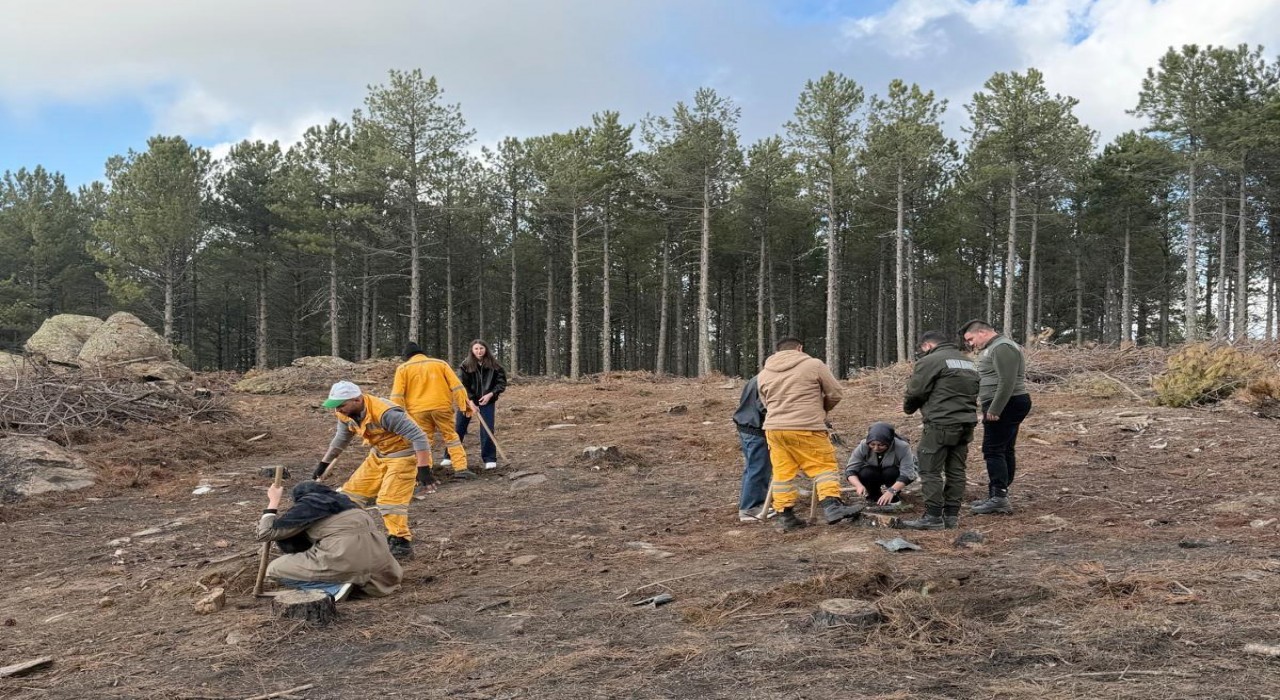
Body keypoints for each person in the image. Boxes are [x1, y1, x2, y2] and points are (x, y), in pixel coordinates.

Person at [313, 380, 435, 560]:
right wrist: (323, 464)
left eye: (341, 405)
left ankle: (400, 542)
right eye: (335, 406)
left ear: (357, 399)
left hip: (405, 456)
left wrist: (423, 469)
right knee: (350, 495)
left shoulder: (386, 413)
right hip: (378, 455)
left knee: (389, 501)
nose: (338, 410)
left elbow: (419, 437)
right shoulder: (345, 414)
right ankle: (351, 537)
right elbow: (341, 438)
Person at [756, 337, 862, 532]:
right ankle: (832, 507)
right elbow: (836, 393)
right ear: (800, 348)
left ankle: (784, 515)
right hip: (806, 426)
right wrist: (822, 410)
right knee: (823, 466)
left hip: (774, 429)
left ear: (777, 351)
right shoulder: (813, 364)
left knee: (782, 472)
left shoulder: (763, 373)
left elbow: (766, 402)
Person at [257, 480, 404, 599]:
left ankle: (333, 588)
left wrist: (273, 502)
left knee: (275, 569)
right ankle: (352, 583)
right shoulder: (351, 504)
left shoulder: (310, 504)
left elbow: (266, 533)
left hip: (346, 560)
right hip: (381, 567)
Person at [898, 331, 980, 530]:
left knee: (930, 469)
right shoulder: (967, 361)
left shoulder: (931, 360)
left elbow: (916, 390)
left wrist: (908, 407)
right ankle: (951, 516)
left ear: (927, 345)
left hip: (941, 424)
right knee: (956, 470)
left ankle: (933, 517)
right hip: (966, 423)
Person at [959, 319, 1033, 516]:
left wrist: (996, 408)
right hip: (1003, 404)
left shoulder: (1002, 347)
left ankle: (999, 498)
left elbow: (1007, 381)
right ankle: (998, 494)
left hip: (1007, 404)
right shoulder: (993, 348)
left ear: (982, 332)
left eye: (971, 339)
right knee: (1004, 448)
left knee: (993, 450)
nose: (970, 344)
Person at [391, 342, 475, 480]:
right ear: (422, 352)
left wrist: (396, 417)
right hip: (442, 407)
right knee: (451, 437)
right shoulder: (440, 364)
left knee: (423, 440)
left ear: (407, 356)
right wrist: (464, 405)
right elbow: (457, 386)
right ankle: (461, 468)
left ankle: (426, 470)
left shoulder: (403, 368)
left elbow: (397, 394)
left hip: (417, 411)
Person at [455, 339, 507, 471]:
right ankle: (449, 455)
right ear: (472, 350)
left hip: (487, 400)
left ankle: (489, 458)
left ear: (486, 349)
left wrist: (490, 394)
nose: (479, 351)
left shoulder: (495, 365)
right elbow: (462, 385)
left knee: (487, 428)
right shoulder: (465, 365)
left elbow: (501, 384)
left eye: (481, 348)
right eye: (476, 349)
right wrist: (471, 401)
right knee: (460, 427)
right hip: (467, 400)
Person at [844, 421, 917, 512]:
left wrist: (891, 491)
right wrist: (858, 485)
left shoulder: (902, 447)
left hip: (894, 474)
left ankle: (894, 497)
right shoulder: (864, 445)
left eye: (881, 445)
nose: (876, 448)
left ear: (889, 441)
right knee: (865, 472)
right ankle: (874, 496)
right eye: (872, 444)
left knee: (890, 472)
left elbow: (907, 474)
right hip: (874, 472)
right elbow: (850, 470)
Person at [733, 375, 772, 522]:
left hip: (746, 425)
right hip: (755, 428)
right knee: (758, 468)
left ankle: (749, 503)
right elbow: (764, 407)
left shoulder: (756, 378)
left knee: (752, 468)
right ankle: (750, 508)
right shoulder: (766, 379)